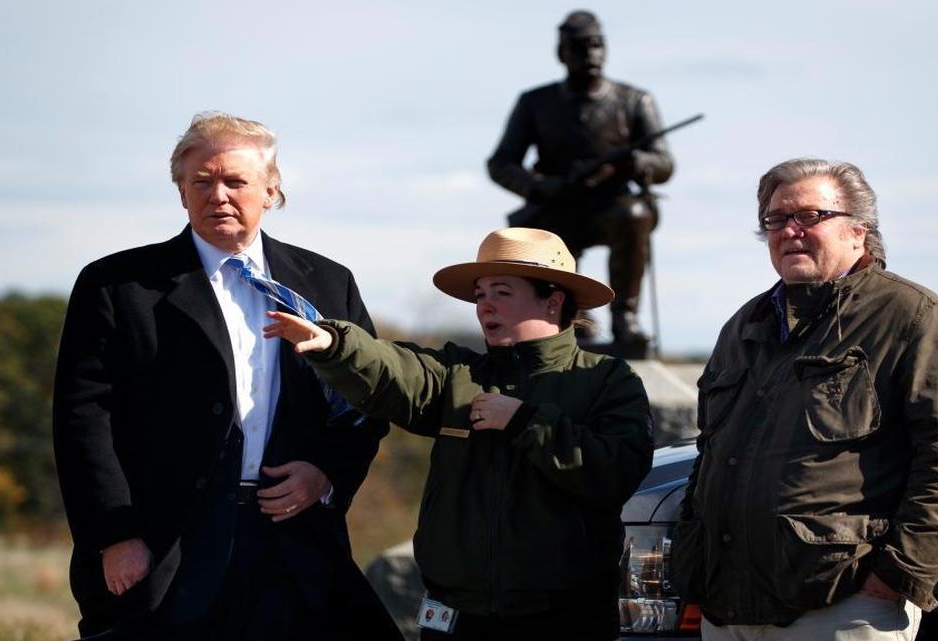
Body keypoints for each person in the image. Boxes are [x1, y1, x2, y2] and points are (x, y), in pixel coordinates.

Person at [53, 111, 400, 640]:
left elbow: (367, 400)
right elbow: (83, 421)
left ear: (271, 190)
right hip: (164, 552)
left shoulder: (329, 283)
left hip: (293, 545)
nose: (218, 195)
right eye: (201, 182)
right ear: (181, 192)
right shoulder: (117, 286)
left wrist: (326, 473)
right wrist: (115, 536)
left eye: (235, 181)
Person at [264, 227, 656, 640]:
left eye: (501, 292)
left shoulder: (607, 381)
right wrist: (336, 344)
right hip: (454, 619)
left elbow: (616, 472)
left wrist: (526, 422)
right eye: (480, 294)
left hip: (565, 621)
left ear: (553, 300)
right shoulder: (458, 374)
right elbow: (395, 369)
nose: (485, 305)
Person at [670, 158, 938, 640]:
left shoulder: (914, 317)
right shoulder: (743, 325)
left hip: (842, 603)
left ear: (859, 232)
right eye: (776, 219)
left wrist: (895, 577)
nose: (789, 230)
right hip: (727, 606)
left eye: (810, 216)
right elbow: (711, 454)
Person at [487, 10, 675, 348]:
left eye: (596, 45)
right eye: (579, 47)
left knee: (634, 216)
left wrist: (636, 162)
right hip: (557, 207)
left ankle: (625, 317)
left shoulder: (634, 101)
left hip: (612, 205)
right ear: (562, 54)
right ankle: (570, 320)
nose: (590, 54)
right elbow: (500, 163)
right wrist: (539, 187)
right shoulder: (535, 103)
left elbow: (664, 164)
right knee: (547, 238)